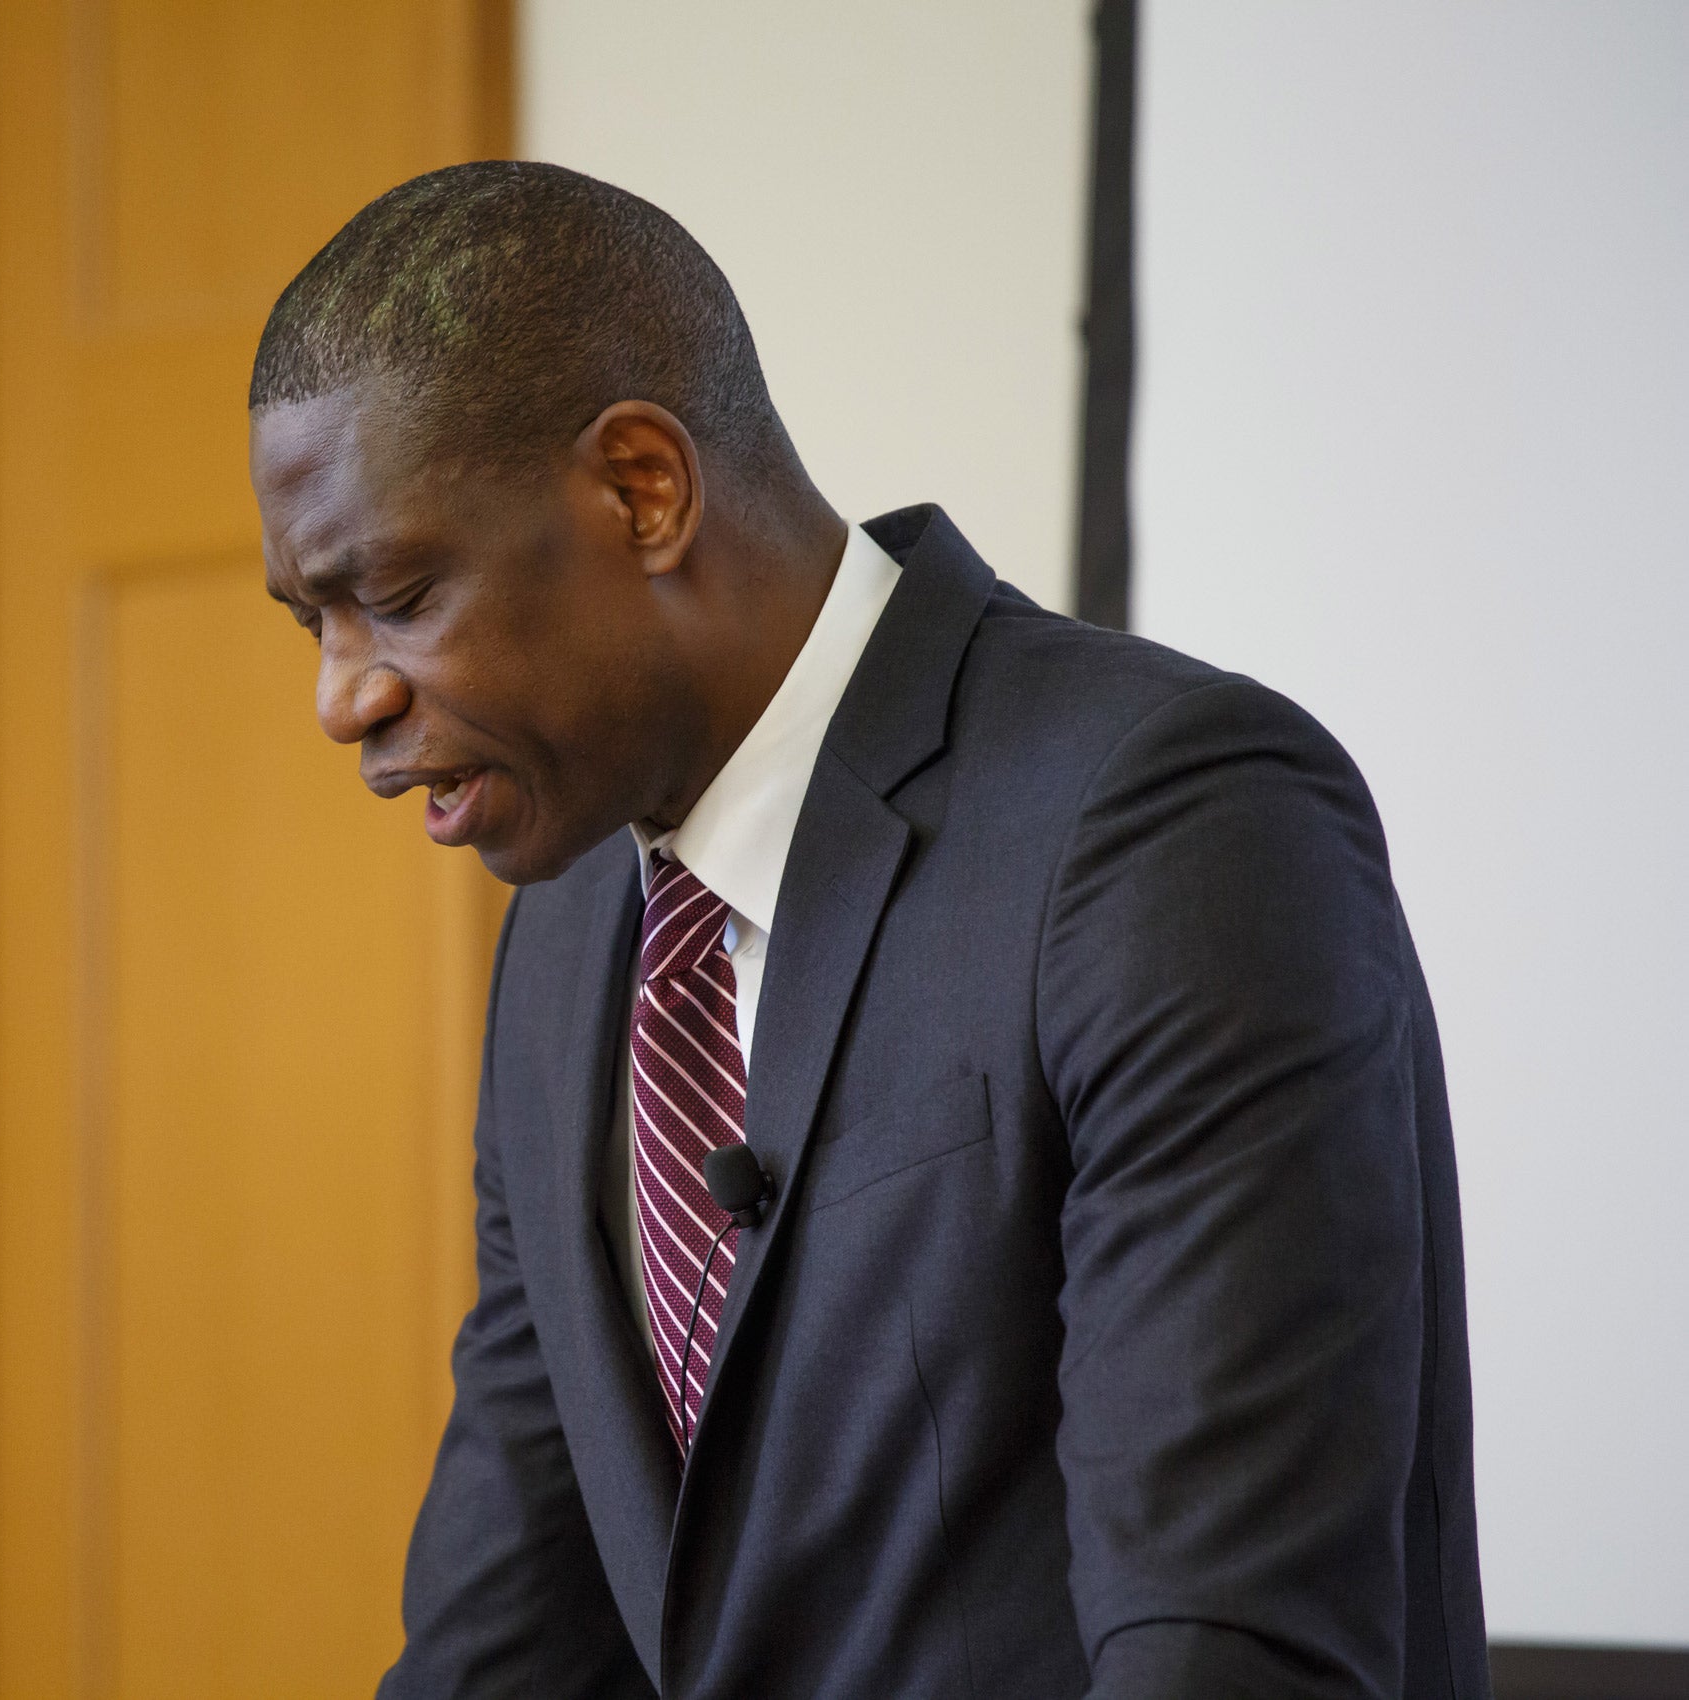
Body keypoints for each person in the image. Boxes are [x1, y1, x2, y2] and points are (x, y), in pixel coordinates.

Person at [248, 161, 1486, 1700]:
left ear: (640, 489)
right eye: (311, 622)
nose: (342, 697)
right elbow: (508, 1632)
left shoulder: (1167, 819)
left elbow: (1226, 1641)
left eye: (395, 593)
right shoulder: (568, 941)